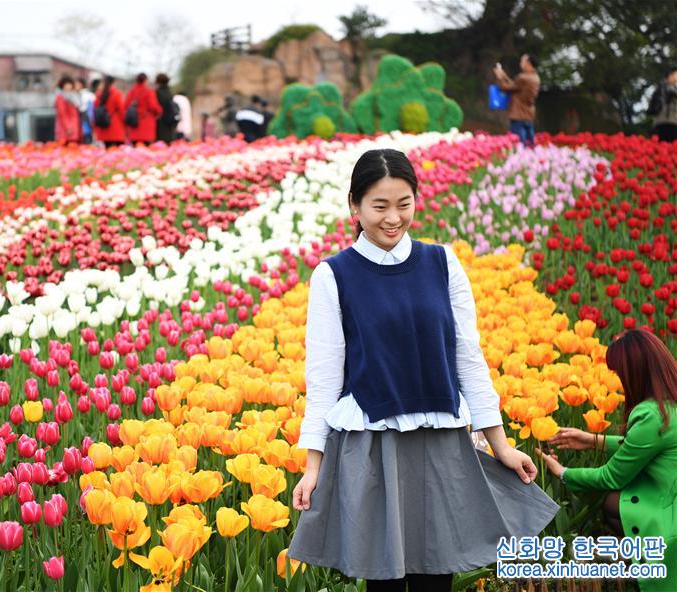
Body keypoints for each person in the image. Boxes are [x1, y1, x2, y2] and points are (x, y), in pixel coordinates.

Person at [286, 149, 559, 592]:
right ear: (354, 205)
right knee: (385, 581)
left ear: (416, 199)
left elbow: (468, 358)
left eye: (404, 203)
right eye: (379, 206)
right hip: (374, 445)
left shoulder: (442, 263)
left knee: (438, 575)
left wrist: (501, 445)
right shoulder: (334, 275)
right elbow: (324, 380)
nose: (393, 218)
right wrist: (313, 466)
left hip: (442, 443)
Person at [539, 330, 677, 592]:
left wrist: (563, 472)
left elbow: (612, 476)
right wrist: (593, 440)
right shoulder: (669, 402)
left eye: (618, 373)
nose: (617, 380)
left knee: (615, 500)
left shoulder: (652, 416)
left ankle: (642, 568)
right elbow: (643, 446)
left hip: (671, 515)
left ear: (635, 372)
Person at [493, 53, 540, 147]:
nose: (521, 63)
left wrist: (499, 77)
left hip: (519, 116)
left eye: (522, 61)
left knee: (519, 146)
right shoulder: (535, 77)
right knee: (529, 145)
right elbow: (516, 86)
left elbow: (506, 87)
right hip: (528, 115)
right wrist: (504, 76)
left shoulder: (524, 77)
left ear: (528, 63)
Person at [123, 73, 162, 146]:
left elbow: (125, 105)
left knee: (135, 149)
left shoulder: (131, 92)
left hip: (134, 124)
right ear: (145, 81)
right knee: (145, 151)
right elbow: (153, 106)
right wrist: (159, 111)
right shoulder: (148, 92)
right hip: (146, 125)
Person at [93, 75, 126, 148]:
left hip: (103, 128)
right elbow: (121, 110)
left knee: (107, 153)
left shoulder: (99, 95)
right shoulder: (117, 94)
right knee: (117, 154)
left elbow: (95, 109)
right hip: (116, 128)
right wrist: (125, 123)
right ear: (113, 83)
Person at [647, 66, 677, 142]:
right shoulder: (666, 86)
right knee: (669, 145)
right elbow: (671, 92)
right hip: (667, 121)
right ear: (670, 75)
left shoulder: (662, 86)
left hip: (666, 121)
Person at [54, 75, 81, 145]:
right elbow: (62, 113)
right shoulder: (60, 97)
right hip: (66, 130)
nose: (68, 86)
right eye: (66, 84)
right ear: (62, 86)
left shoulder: (73, 96)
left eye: (70, 84)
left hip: (74, 127)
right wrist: (68, 127)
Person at [154, 73, 178, 143]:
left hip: (161, 122)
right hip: (170, 121)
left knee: (160, 143)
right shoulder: (170, 92)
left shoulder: (157, 93)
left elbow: (155, 107)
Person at [75, 78, 96, 145]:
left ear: (81, 85)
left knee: (87, 136)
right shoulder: (90, 94)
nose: (75, 86)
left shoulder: (84, 95)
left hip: (85, 117)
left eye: (77, 85)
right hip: (87, 118)